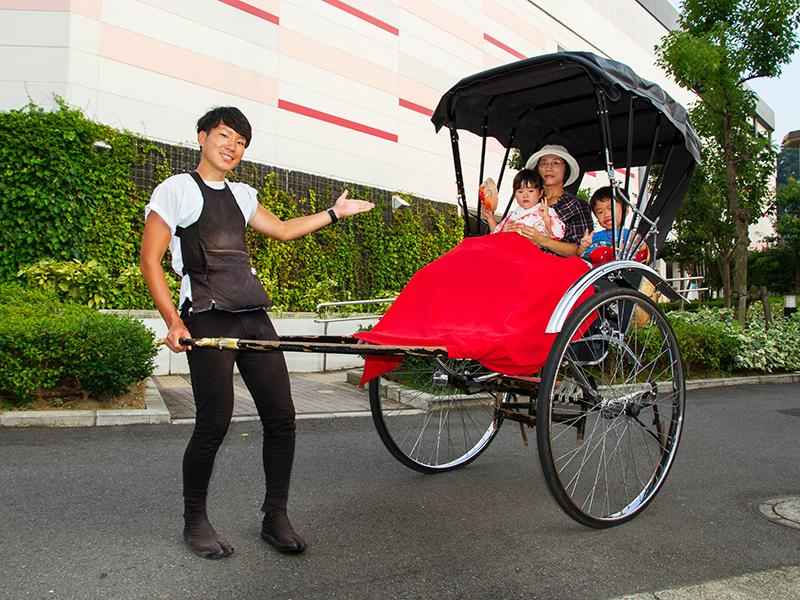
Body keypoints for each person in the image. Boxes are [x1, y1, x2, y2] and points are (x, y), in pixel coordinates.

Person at [139, 106, 374, 558]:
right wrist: (174, 320)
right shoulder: (176, 190)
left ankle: (275, 516)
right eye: (225, 136)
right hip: (206, 314)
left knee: (282, 416)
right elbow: (151, 260)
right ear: (203, 136)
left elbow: (283, 231)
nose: (232, 147)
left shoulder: (243, 194)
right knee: (214, 421)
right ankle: (195, 521)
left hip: (252, 314)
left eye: (241, 142)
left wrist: (333, 213)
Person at [505, 144, 594, 257]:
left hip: (554, 267)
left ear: (566, 168)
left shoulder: (577, 205)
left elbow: (581, 250)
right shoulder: (528, 200)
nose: (548, 168)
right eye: (543, 163)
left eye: (555, 163)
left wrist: (543, 241)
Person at [481, 169, 565, 240]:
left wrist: (546, 219)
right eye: (520, 191)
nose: (525, 195)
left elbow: (559, 234)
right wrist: (490, 218)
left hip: (529, 254)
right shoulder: (512, 214)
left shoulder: (546, 212)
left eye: (530, 191)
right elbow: (495, 235)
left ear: (540, 193)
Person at [579, 186, 650, 264]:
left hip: (607, 268)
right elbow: (580, 254)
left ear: (625, 210)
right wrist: (583, 247)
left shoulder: (630, 234)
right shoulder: (594, 236)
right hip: (587, 265)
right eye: (600, 212)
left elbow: (641, 247)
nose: (606, 215)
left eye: (611, 209)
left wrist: (612, 249)